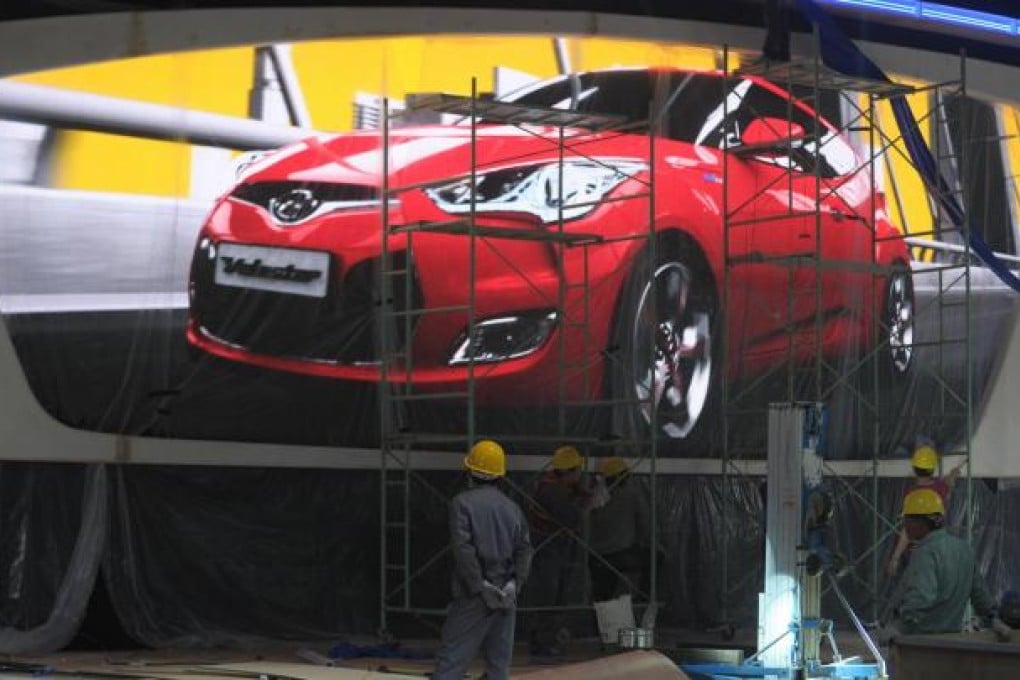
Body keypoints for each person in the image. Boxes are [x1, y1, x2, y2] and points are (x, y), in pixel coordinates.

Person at [433, 440, 534, 680]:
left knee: (451, 664)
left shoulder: (461, 504)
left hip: (473, 597)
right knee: (499, 668)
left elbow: (463, 550)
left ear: (470, 471)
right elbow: (525, 550)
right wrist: (514, 585)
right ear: (500, 475)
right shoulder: (512, 508)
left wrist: (480, 586)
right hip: (506, 598)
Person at [875, 488, 1012, 644]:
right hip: (951, 641)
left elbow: (921, 598)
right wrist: (994, 620)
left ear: (919, 521)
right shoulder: (963, 549)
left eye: (906, 519)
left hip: (921, 644)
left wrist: (897, 628)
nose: (904, 526)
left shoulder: (926, 552)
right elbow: (980, 594)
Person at [525, 444, 591, 658]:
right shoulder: (553, 491)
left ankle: (544, 641)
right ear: (569, 471)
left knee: (552, 598)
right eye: (578, 471)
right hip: (549, 552)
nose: (581, 475)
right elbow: (572, 518)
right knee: (550, 599)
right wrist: (585, 502)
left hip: (554, 551)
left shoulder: (552, 487)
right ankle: (543, 644)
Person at [886, 445, 963, 578]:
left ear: (915, 469)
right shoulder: (940, 489)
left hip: (917, 552)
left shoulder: (910, 494)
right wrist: (954, 473)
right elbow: (948, 482)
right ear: (933, 469)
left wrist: (895, 558)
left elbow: (907, 531)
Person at [588, 457, 651, 602]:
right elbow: (645, 525)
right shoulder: (631, 495)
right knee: (657, 558)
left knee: (602, 595)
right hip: (621, 555)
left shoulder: (595, 496)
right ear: (623, 476)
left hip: (595, 556)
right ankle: (642, 599)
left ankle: (597, 622)